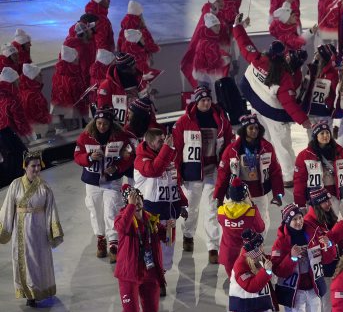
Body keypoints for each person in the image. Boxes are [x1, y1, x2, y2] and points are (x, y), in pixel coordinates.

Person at [236, 17, 310, 176]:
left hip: (255, 105)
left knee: (265, 141)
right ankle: (289, 175)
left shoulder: (256, 58)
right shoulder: (284, 78)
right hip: (274, 113)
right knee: (282, 144)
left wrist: (238, 27)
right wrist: (303, 120)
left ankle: (266, 169)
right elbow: (289, 103)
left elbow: (244, 44)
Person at [173, 87, 233, 263]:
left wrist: (227, 166)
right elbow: (176, 149)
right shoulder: (184, 121)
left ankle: (213, 247)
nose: (206, 103)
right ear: (196, 102)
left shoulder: (221, 118)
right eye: (202, 100)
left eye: (208, 100)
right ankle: (188, 235)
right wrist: (177, 174)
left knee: (212, 208)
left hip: (213, 169)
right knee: (191, 206)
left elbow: (229, 141)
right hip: (192, 172)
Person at [0, 152, 62, 306]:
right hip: (22, 231)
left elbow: (51, 210)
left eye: (38, 166)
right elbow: (8, 208)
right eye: (32, 166)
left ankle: (38, 290)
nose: (36, 169)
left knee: (38, 261)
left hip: (38, 231)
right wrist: (3, 228)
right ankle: (29, 294)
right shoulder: (15, 185)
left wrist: (53, 231)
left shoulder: (44, 187)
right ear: (25, 167)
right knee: (25, 260)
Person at [112, 185, 166, 312]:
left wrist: (169, 227)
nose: (137, 202)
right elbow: (121, 228)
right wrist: (130, 207)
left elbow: (166, 238)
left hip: (149, 271)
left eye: (139, 198)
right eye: (133, 200)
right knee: (132, 311)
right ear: (128, 203)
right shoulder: (123, 217)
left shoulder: (150, 219)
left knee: (151, 310)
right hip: (129, 274)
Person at [74, 109, 134, 262]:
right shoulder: (85, 136)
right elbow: (77, 156)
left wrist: (117, 167)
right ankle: (101, 238)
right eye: (99, 123)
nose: (102, 126)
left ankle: (114, 242)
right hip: (92, 182)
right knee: (95, 210)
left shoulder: (120, 136)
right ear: (94, 122)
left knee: (112, 209)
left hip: (112, 181)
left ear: (111, 124)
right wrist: (89, 157)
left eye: (105, 124)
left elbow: (129, 155)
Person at [133, 127, 187, 282]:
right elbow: (154, 169)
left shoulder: (168, 157)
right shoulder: (141, 160)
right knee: (152, 246)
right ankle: (153, 277)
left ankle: (161, 274)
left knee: (168, 246)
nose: (164, 143)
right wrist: (167, 149)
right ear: (150, 143)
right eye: (160, 141)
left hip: (170, 212)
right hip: (152, 213)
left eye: (165, 140)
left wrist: (181, 204)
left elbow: (174, 183)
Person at [214, 113, 285, 232]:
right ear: (243, 130)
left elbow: (275, 172)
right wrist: (219, 197)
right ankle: (242, 249)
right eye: (250, 128)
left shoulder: (267, 147)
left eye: (256, 128)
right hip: (238, 194)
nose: (254, 131)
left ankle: (258, 248)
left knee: (262, 223)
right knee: (236, 224)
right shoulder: (232, 150)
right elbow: (223, 175)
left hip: (259, 192)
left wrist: (278, 194)